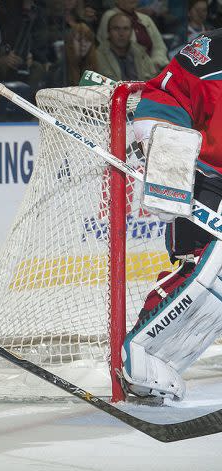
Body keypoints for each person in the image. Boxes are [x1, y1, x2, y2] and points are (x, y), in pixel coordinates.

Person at [120, 29, 222, 401]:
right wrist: (167, 157)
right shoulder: (211, 51)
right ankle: (143, 358)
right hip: (210, 183)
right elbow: (167, 94)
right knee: (206, 273)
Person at [97, 0, 169, 70]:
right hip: (127, 72)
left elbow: (159, 46)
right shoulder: (110, 17)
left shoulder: (145, 18)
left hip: (153, 69)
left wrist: (156, 62)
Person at [96, 12, 157, 81]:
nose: (121, 33)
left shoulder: (141, 53)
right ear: (108, 32)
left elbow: (153, 80)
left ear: (131, 32)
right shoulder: (98, 56)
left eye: (126, 29)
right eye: (116, 29)